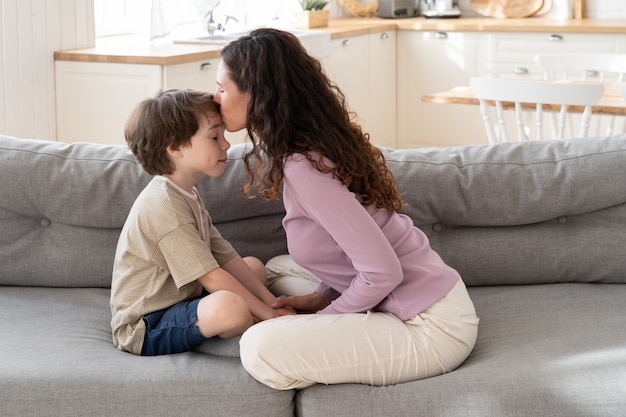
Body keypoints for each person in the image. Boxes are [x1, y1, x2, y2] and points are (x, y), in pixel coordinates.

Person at [215, 28, 480, 390]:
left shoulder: (303, 166)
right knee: (278, 268)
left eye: (222, 88)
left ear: (257, 95)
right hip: (428, 296)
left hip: (431, 327)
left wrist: (324, 319)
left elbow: (383, 273)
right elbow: (350, 246)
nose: (215, 98)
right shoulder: (310, 148)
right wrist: (321, 295)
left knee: (258, 347)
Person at [110, 89, 293, 356]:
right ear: (174, 147)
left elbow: (225, 257)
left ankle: (230, 320)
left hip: (184, 300)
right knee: (231, 307)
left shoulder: (187, 193)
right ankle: (238, 324)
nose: (226, 144)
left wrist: (273, 304)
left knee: (252, 266)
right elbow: (211, 276)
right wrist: (269, 316)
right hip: (147, 324)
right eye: (214, 136)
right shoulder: (164, 204)